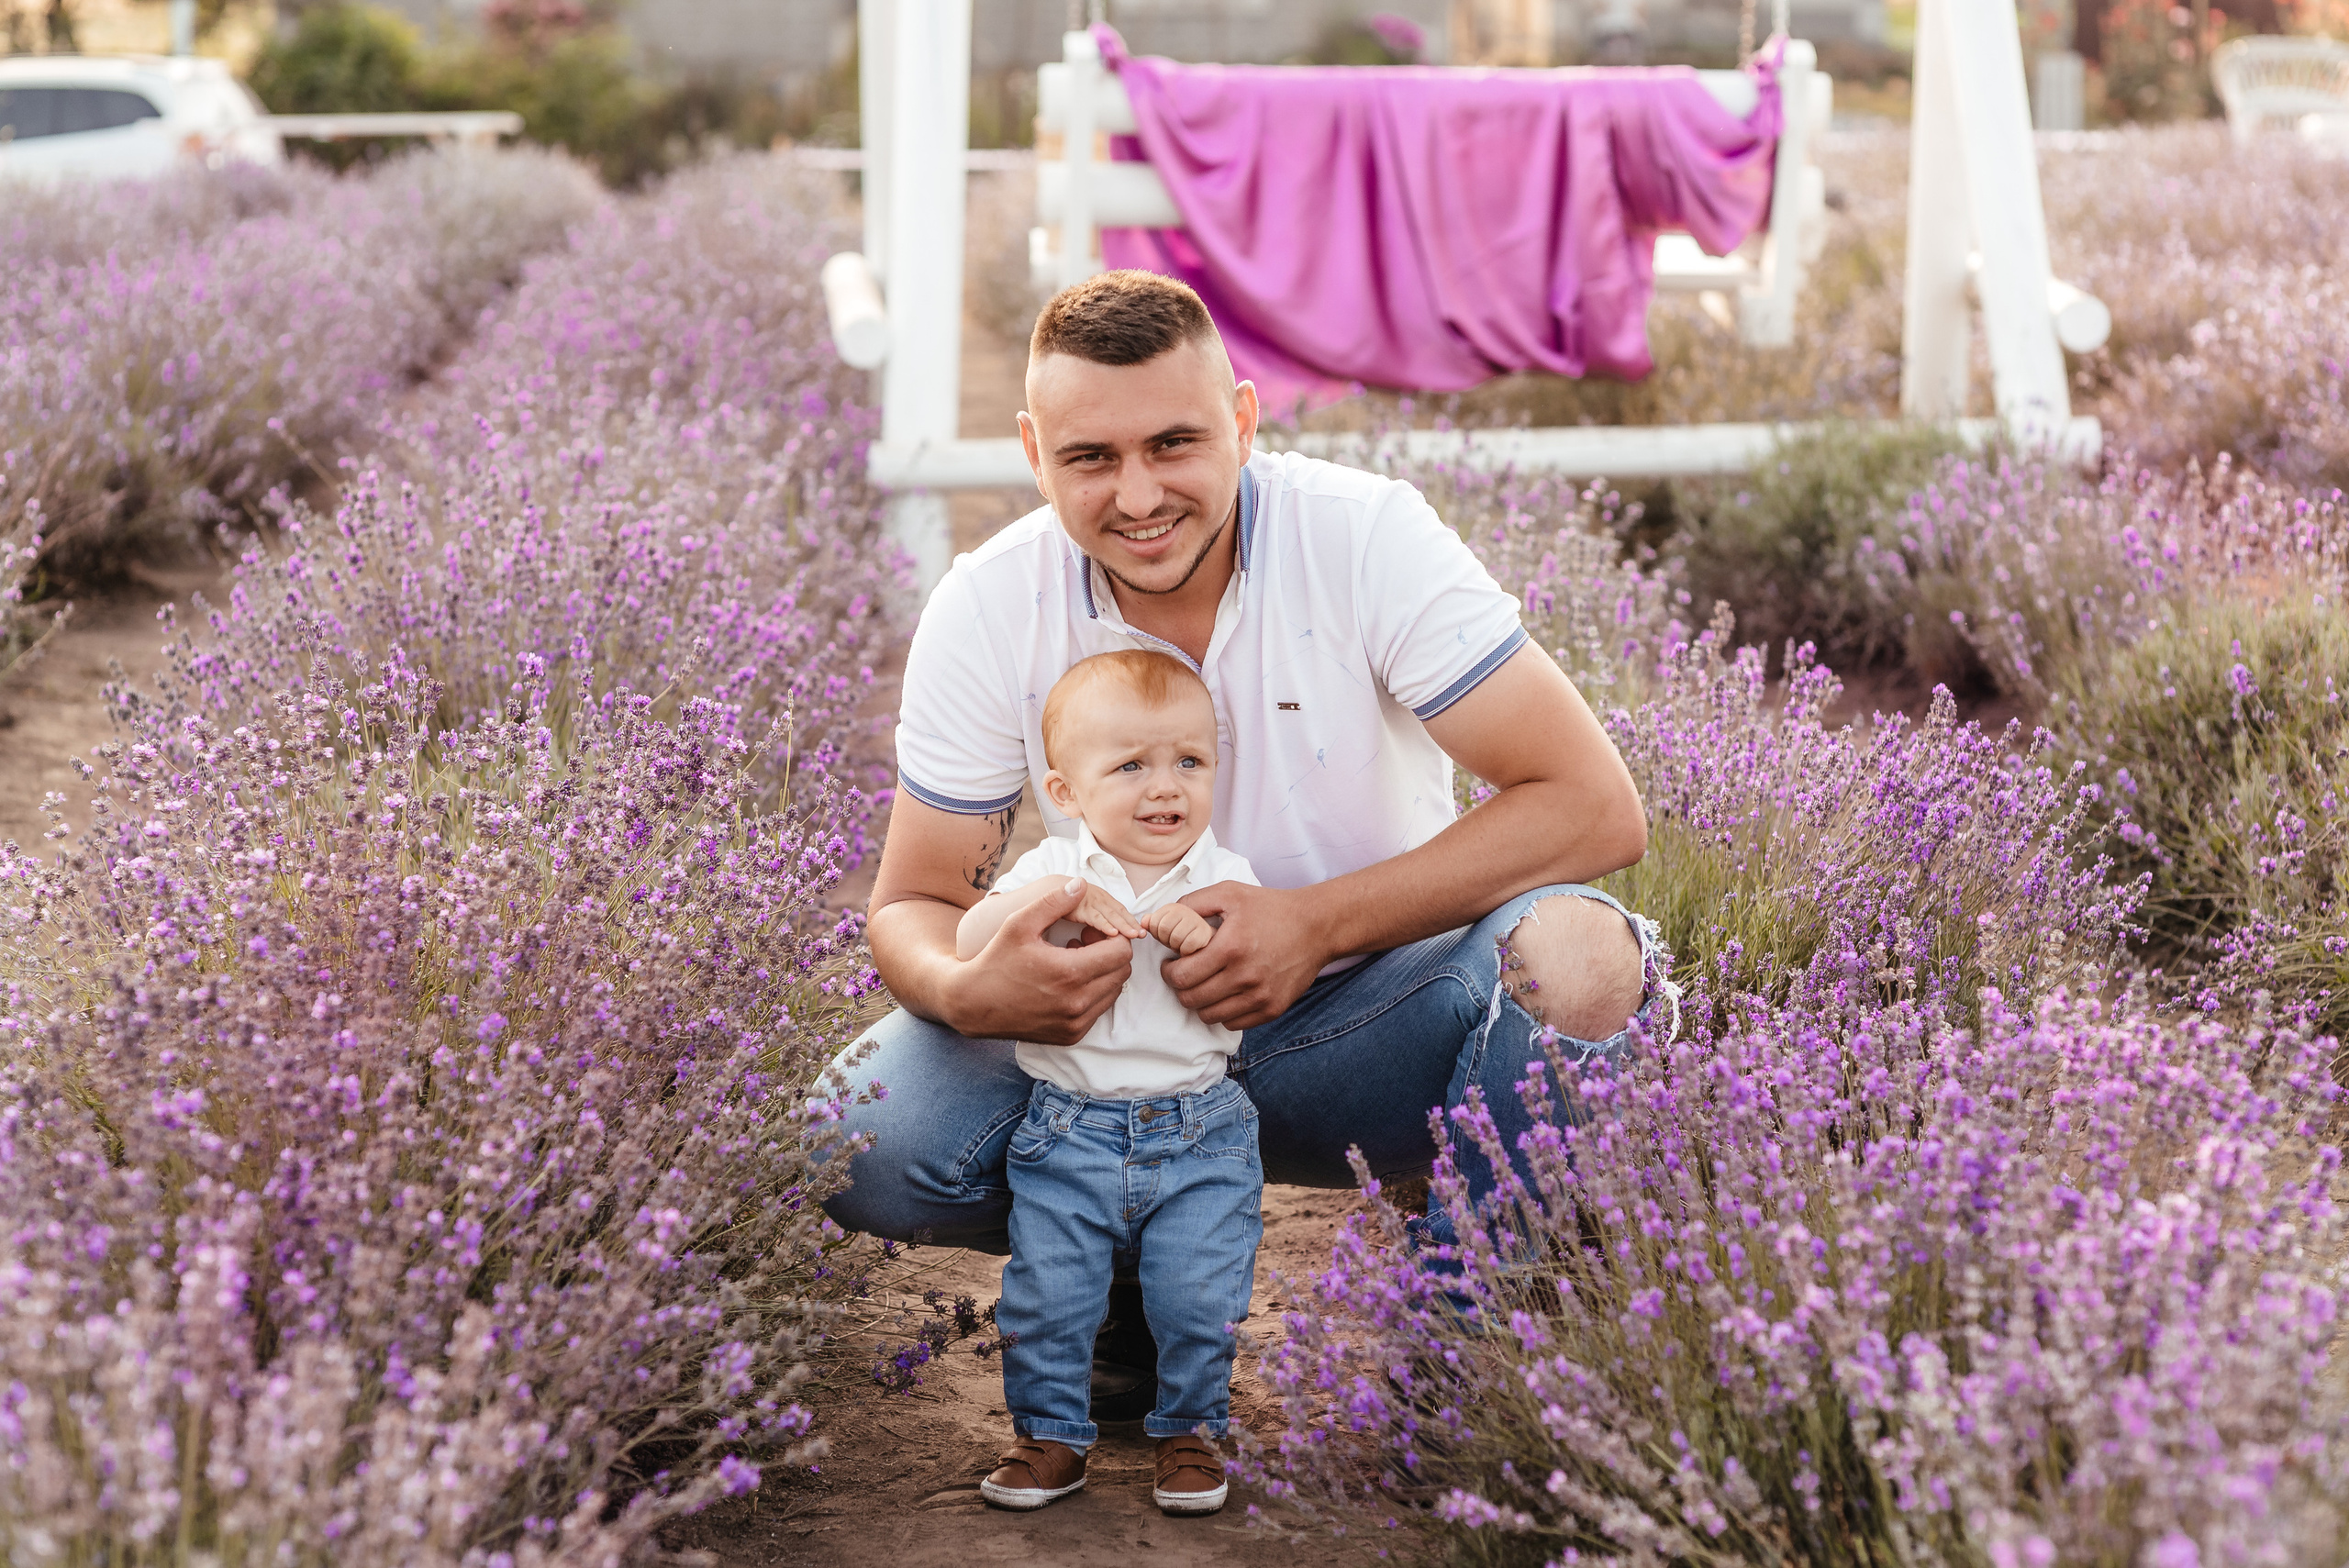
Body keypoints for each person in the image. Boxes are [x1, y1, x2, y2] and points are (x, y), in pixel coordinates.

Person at [829, 269, 1671, 1418]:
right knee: (855, 1137)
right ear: (1034, 452)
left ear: (1242, 418)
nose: (1137, 494)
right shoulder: (986, 604)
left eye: (1174, 442)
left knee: (1580, 956)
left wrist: (1316, 922)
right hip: (1108, 1049)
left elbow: (1591, 804)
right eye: (1090, 458)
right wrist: (971, 989)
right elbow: (913, 901)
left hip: (1363, 1018)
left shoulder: (1363, 536)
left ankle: (1470, 1365)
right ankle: (1126, 1249)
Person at [958, 650, 1262, 1516]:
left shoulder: (1227, 878)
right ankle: (1050, 1436)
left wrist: (1201, 938)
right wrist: (1045, 903)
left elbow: (1258, 974)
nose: (1166, 787)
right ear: (1065, 790)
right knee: (1049, 1294)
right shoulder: (1051, 870)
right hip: (1068, 1127)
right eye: (1131, 765)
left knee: (1199, 1295)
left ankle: (1189, 1433)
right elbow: (972, 934)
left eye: (1189, 762)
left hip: (1201, 1127)